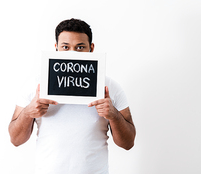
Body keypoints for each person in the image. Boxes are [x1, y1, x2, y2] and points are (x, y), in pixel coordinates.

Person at [8, 18, 136, 174]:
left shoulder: (110, 87)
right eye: (65, 47)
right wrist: (28, 113)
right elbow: (15, 140)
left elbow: (128, 143)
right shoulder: (35, 85)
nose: (72, 53)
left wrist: (114, 115)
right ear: (56, 48)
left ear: (91, 48)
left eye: (80, 47)